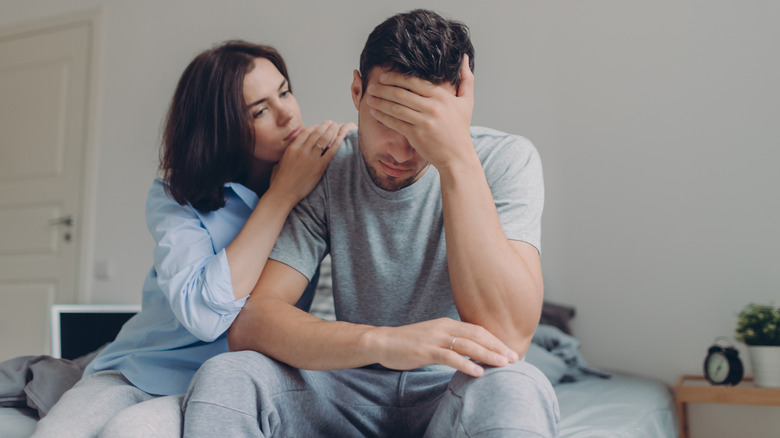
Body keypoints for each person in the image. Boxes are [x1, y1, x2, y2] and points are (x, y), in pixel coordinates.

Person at [183, 9, 560, 438]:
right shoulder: (328, 167)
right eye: (386, 120)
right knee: (228, 374)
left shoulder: (505, 160)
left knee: (519, 384)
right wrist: (384, 343)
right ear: (357, 91)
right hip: (349, 387)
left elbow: (508, 337)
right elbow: (252, 323)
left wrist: (456, 160)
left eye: (422, 127)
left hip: (453, 388)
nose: (400, 151)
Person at [31, 40, 354, 438]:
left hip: (221, 383)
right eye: (260, 110)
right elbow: (205, 316)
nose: (288, 114)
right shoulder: (175, 196)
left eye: (285, 92)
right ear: (223, 128)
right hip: (137, 367)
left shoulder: (320, 181)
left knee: (129, 432)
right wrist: (281, 195)